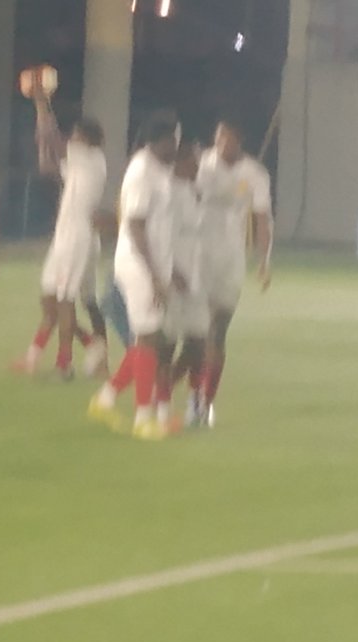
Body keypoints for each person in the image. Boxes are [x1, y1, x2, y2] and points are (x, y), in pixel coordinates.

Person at [87, 112, 180, 441]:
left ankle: (106, 399)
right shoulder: (142, 172)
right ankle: (143, 418)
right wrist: (155, 276)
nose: (177, 146)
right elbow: (136, 227)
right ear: (163, 140)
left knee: (149, 339)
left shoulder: (157, 170)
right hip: (139, 264)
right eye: (175, 139)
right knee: (148, 337)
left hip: (149, 264)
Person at [11, 80, 110, 380]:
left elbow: (53, 139)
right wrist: (44, 141)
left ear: (87, 140)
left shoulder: (91, 158)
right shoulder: (82, 161)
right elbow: (48, 165)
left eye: (77, 135)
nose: (73, 139)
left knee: (67, 301)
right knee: (51, 301)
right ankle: (91, 345)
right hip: (65, 237)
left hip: (78, 238)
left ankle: (64, 364)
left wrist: (41, 103)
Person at [194, 120, 273, 427]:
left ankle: (206, 401)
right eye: (217, 138)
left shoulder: (255, 174)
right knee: (195, 332)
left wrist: (264, 259)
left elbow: (262, 218)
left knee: (218, 330)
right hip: (198, 252)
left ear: (238, 140)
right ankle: (189, 395)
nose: (219, 144)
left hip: (230, 257)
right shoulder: (202, 165)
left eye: (226, 138)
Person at [163, 139, 211, 431]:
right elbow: (161, 238)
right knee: (166, 344)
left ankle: (192, 400)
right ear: (181, 163)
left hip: (196, 279)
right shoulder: (168, 194)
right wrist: (169, 271)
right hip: (174, 279)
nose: (200, 166)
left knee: (198, 342)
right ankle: (161, 404)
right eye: (195, 161)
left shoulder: (194, 192)